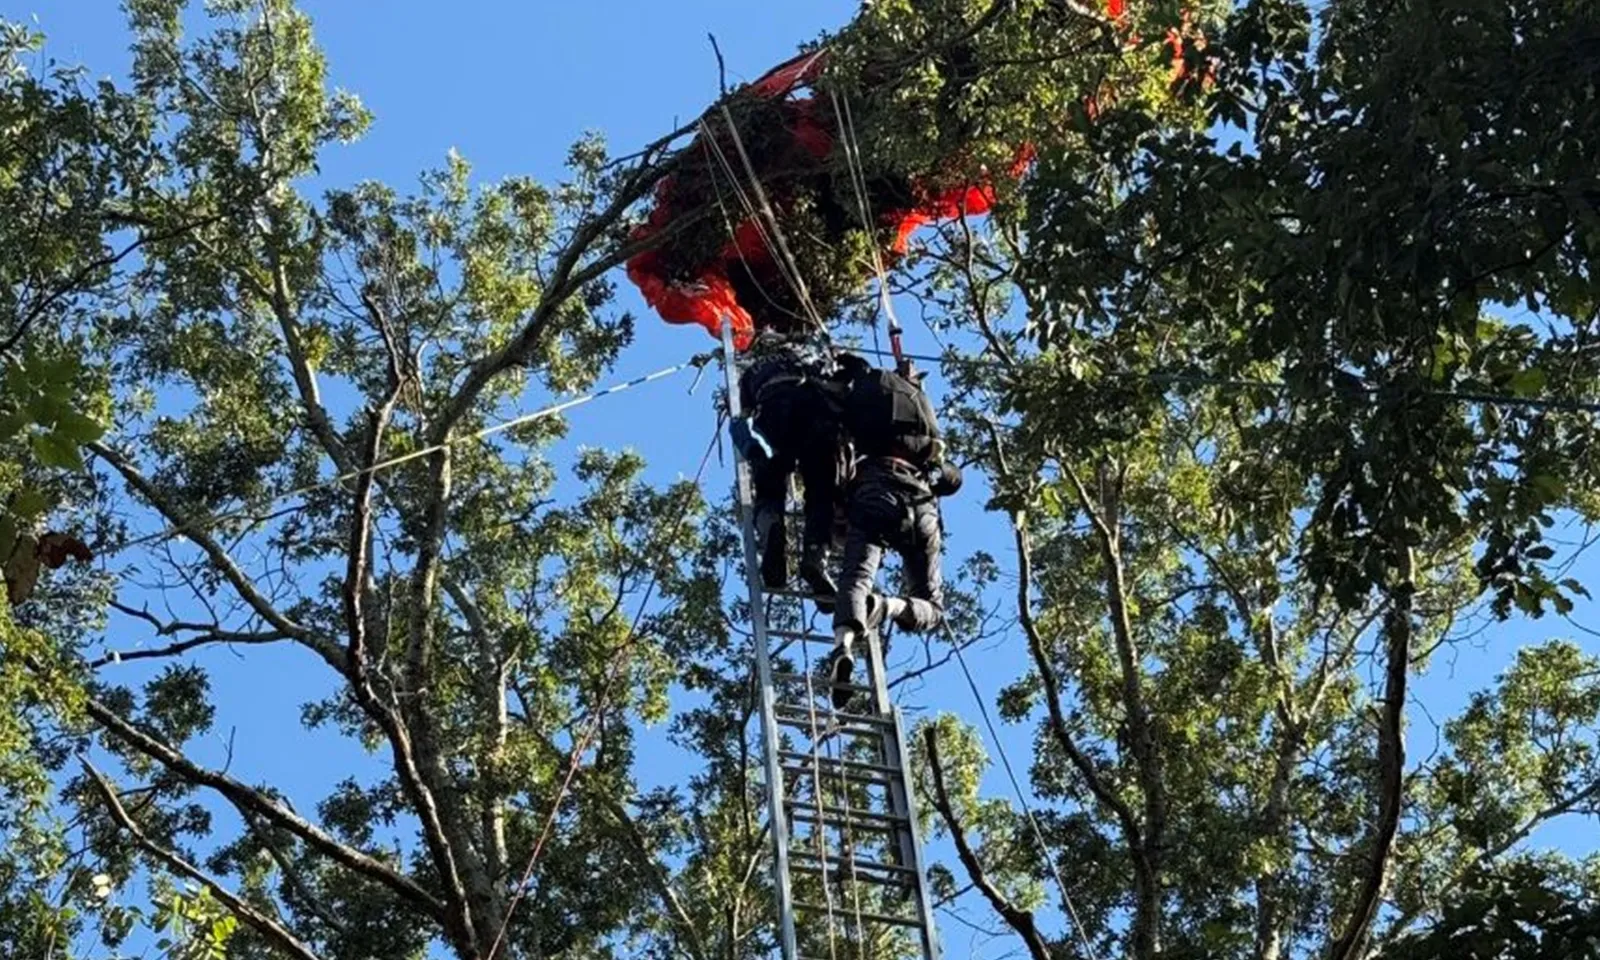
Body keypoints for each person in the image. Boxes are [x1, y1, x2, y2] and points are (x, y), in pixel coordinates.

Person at [828, 361, 962, 706]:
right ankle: (888, 606)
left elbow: (837, 449)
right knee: (933, 607)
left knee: (857, 575)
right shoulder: (922, 413)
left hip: (876, 488)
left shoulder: (864, 402)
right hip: (921, 504)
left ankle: (843, 644)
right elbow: (952, 479)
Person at [729, 330, 867, 600]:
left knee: (770, 488)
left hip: (773, 410)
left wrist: (753, 451)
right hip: (816, 413)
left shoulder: (752, 372)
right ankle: (815, 556)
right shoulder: (810, 356)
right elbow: (849, 379)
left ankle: (771, 529)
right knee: (822, 491)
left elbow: (742, 419)